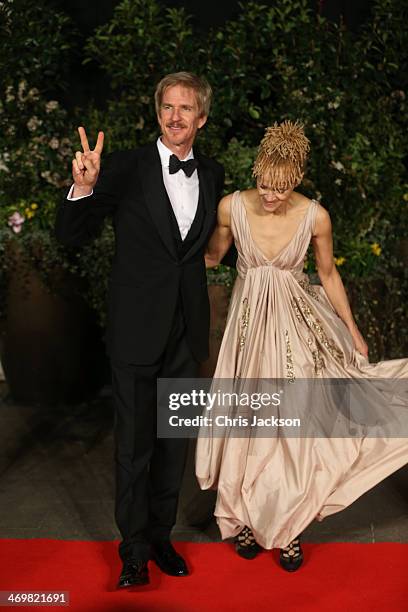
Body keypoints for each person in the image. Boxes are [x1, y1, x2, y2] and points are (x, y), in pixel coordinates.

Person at [195, 120, 408, 571]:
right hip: (248, 332)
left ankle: (289, 528)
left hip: (298, 329)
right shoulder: (232, 207)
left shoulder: (315, 215)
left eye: (280, 189)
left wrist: (352, 330)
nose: (269, 196)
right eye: (263, 185)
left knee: (294, 433)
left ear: (296, 180)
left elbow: (328, 274)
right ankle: (247, 521)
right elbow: (212, 256)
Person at [55, 72, 225, 588]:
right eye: (167, 107)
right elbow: (71, 236)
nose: (175, 116)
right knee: (133, 446)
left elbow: (210, 249)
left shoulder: (212, 172)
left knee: (174, 442)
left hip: (186, 331)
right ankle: (132, 551)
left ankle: (160, 536)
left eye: (186, 108)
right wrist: (83, 187)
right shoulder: (125, 167)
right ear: (158, 114)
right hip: (135, 330)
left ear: (201, 117)